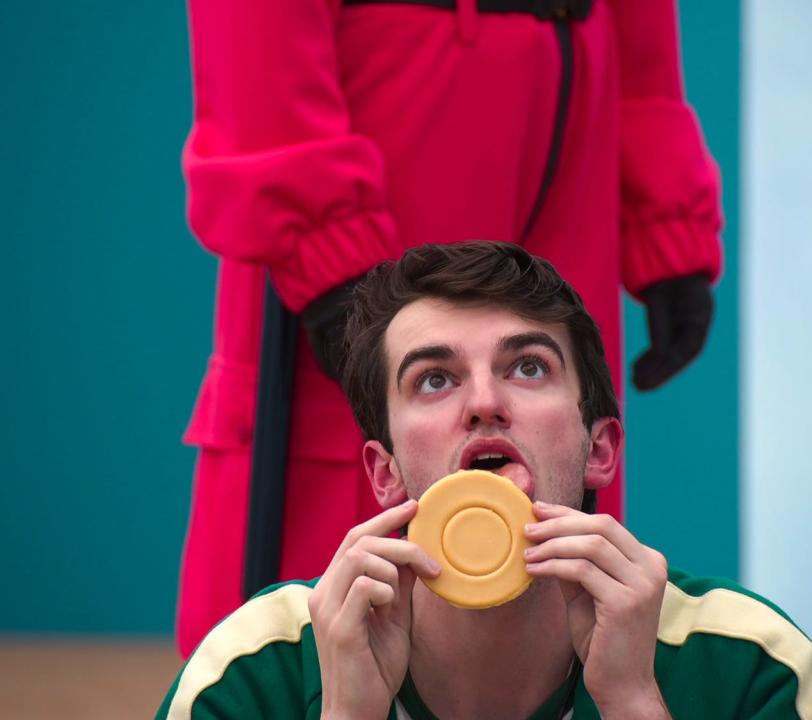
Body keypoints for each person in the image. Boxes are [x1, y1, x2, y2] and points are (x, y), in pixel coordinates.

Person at [176, 0, 723, 657]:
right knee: (361, 514)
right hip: (381, 91)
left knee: (553, 494)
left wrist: (662, 207)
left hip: (581, 97)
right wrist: (317, 230)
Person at [158, 243, 812, 719]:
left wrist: (634, 703)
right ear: (385, 474)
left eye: (528, 368)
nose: (484, 401)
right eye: (434, 379)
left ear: (600, 449)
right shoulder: (250, 675)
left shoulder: (750, 668)